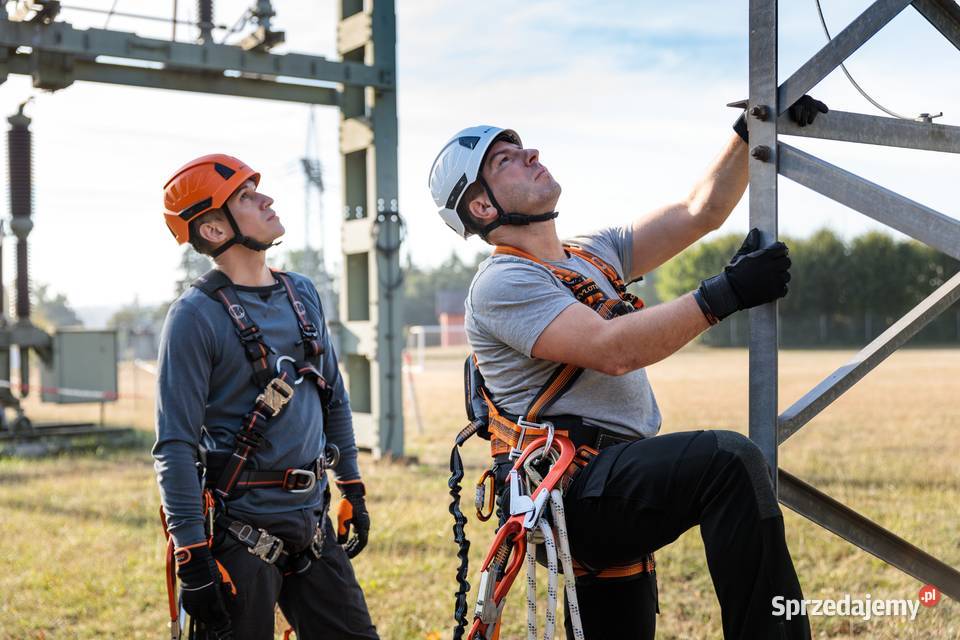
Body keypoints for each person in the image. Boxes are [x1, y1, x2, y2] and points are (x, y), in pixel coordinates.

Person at [429, 98, 828, 640]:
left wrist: (751, 126)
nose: (530, 154)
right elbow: (612, 348)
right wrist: (725, 293)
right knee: (728, 462)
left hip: (615, 483)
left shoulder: (593, 255)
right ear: (481, 209)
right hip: (577, 492)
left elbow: (699, 211)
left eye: (520, 148)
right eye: (504, 160)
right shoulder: (502, 284)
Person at [154, 154, 379, 640]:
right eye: (246, 196)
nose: (267, 199)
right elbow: (175, 444)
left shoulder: (302, 294)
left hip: (314, 526)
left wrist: (352, 487)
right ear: (214, 229)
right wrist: (191, 555)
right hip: (240, 535)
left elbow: (332, 398)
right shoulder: (194, 318)